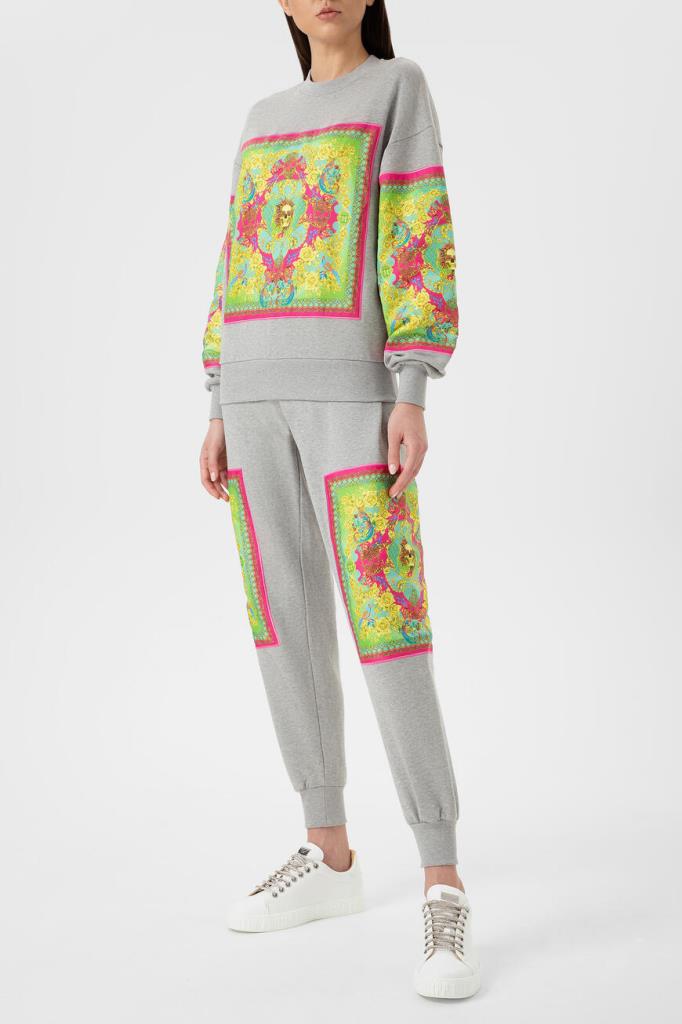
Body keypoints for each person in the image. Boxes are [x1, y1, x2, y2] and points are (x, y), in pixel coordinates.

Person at [198, 0, 480, 999]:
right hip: (251, 398)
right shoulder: (261, 116)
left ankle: (442, 877)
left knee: (388, 628)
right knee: (283, 626)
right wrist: (216, 397)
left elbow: (417, 227)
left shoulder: (398, 88)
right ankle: (329, 851)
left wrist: (410, 387)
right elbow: (236, 254)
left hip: (354, 400)